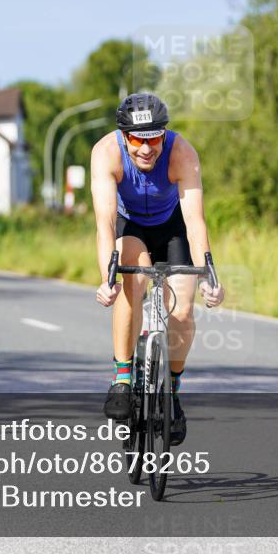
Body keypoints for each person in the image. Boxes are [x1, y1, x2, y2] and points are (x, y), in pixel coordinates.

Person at [91, 93, 225, 446]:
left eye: (154, 139)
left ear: (163, 135)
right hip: (129, 225)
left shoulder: (182, 152)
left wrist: (210, 274)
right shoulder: (106, 152)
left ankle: (173, 393)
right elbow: (105, 221)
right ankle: (122, 377)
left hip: (172, 225)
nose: (147, 149)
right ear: (124, 137)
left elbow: (195, 220)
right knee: (133, 281)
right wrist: (107, 276)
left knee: (182, 307)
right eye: (138, 140)